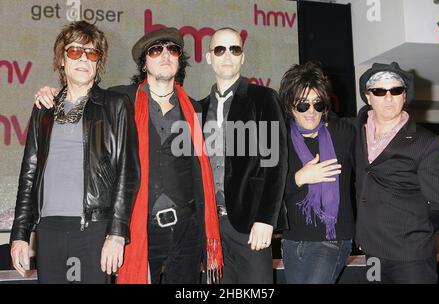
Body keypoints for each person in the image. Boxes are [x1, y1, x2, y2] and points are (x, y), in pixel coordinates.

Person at [32, 27, 223, 284]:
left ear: (180, 59)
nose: (165, 55)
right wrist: (53, 93)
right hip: (139, 228)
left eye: (172, 50)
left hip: (186, 230)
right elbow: (83, 94)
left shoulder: (195, 108)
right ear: (144, 62)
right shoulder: (121, 99)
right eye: (156, 50)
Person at [10, 21, 140, 284]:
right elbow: (29, 175)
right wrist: (19, 234)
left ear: (98, 63)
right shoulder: (43, 108)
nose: (83, 58)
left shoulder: (115, 105)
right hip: (48, 229)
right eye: (74, 51)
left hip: (93, 228)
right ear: (61, 59)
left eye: (91, 53)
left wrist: (116, 233)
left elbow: (128, 172)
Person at [200, 27, 287, 283]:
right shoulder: (198, 108)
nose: (227, 55)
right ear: (209, 57)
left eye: (234, 49)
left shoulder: (264, 99)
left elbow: (276, 163)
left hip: (251, 225)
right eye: (220, 49)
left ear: (242, 57)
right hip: (210, 229)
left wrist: (266, 219)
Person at [355, 62, 439, 283]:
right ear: (368, 97)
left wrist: (413, 232)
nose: (388, 97)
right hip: (372, 255)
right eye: (379, 91)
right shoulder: (357, 131)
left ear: (404, 96)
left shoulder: (426, 142)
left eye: (395, 90)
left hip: (411, 257)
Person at [278, 62, 355, 284]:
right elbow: (270, 193)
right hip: (292, 240)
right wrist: (300, 178)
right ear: (290, 105)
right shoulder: (281, 140)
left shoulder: (343, 133)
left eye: (318, 104)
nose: (311, 112)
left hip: (332, 240)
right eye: (303, 105)